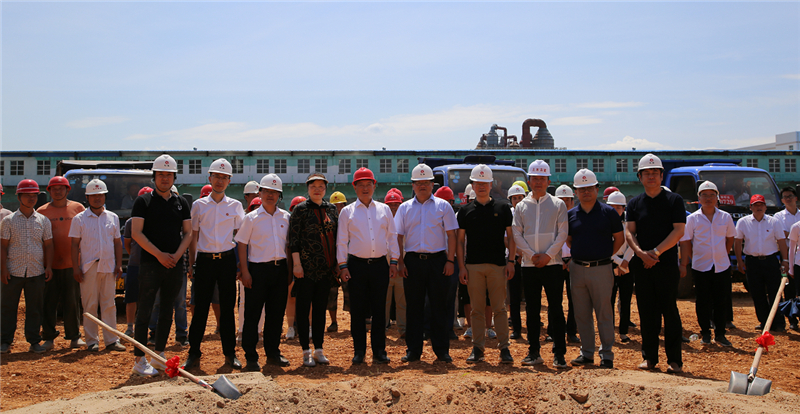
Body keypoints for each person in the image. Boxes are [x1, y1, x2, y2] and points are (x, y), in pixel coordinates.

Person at [130, 154, 193, 377]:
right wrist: (159, 255)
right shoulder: (143, 201)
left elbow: (188, 233)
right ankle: (139, 359)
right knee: (145, 311)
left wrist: (176, 256)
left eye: (169, 174)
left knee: (167, 310)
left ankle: (158, 355)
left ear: (174, 177)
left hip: (173, 264)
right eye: (160, 174)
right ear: (154, 176)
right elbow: (136, 233)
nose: (165, 178)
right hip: (150, 264)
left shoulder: (181, 203)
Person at [625, 153, 686, 373]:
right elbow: (630, 232)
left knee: (669, 310)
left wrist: (656, 252)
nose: (651, 176)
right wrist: (641, 254)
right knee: (646, 312)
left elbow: (679, 230)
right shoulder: (634, 203)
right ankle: (649, 357)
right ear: (639, 177)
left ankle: (674, 360)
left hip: (666, 263)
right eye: (646, 173)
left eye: (655, 173)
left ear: (661, 175)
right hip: (642, 265)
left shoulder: (674, 200)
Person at [395, 163, 458, 363]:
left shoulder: (443, 206)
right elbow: (398, 237)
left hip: (438, 261)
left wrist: (450, 260)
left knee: (439, 306)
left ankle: (441, 350)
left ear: (432, 184)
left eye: (426, 182)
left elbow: (452, 235)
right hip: (412, 262)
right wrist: (400, 262)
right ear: (413, 185)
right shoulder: (404, 208)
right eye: (418, 182)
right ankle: (413, 351)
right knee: (414, 307)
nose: (422, 186)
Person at [184, 159, 244, 370]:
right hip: (204, 262)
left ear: (229, 181)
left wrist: (240, 264)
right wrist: (192, 263)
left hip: (227, 261)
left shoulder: (235, 206)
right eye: (216, 176)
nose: (220, 180)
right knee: (200, 309)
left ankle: (230, 354)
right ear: (209, 178)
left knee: (227, 309)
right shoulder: (199, 206)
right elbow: (193, 235)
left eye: (224, 177)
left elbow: (241, 237)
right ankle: (194, 353)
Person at [337, 168, 399, 364]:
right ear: (354, 187)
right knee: (357, 310)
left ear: (374, 186)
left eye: (368, 184)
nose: (365, 188)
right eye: (361, 185)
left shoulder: (384, 209)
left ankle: (379, 351)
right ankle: (359, 351)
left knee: (380, 310)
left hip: (380, 265)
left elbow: (392, 236)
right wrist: (343, 266)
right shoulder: (347, 212)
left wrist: (394, 261)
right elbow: (341, 241)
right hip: (356, 266)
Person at [512, 160, 569, 368]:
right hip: (529, 266)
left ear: (548, 181)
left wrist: (548, 255)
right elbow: (517, 233)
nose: (538, 182)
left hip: (553, 265)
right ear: (529, 181)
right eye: (534, 178)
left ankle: (559, 353)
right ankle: (534, 351)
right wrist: (531, 255)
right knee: (532, 310)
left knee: (556, 309)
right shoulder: (521, 206)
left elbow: (562, 233)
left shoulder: (558, 204)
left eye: (542, 178)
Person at [457, 165, 515, 364]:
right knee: (477, 310)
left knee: (500, 308)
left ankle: (504, 348)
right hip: (473, 266)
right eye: (477, 183)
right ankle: (478, 348)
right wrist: (462, 267)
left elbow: (511, 238)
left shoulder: (503, 208)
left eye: (485, 183)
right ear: (472, 185)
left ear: (491, 184)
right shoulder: (465, 211)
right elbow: (460, 241)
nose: (481, 186)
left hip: (498, 266)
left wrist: (511, 262)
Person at [567, 169, 624, 369]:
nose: (586, 192)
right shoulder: (571, 215)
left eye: (589, 188)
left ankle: (607, 354)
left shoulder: (608, 213)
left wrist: (605, 254)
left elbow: (619, 238)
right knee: (582, 313)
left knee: (604, 313)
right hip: (578, 269)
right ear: (576, 191)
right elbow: (569, 239)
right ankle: (587, 353)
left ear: (597, 189)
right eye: (581, 189)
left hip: (602, 268)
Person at [236, 174, 292, 371]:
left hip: (280, 270)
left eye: (274, 192)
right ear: (260, 192)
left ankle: (273, 353)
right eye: (267, 191)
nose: (270, 195)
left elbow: (288, 246)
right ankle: (251, 356)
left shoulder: (286, 217)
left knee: (276, 314)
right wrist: (245, 271)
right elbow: (241, 244)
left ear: (279, 195)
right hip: (257, 270)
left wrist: (289, 271)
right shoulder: (251, 218)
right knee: (252, 315)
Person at [69, 179, 127, 353]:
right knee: (90, 305)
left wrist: (118, 264)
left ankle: (111, 340)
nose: (97, 198)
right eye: (93, 195)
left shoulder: (113, 217)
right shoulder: (79, 219)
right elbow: (74, 245)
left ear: (105, 196)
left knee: (109, 303)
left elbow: (117, 243)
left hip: (108, 266)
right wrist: (75, 268)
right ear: (87, 197)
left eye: (100, 195)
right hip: (88, 267)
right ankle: (92, 341)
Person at [289, 173, 339, 367]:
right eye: (313, 186)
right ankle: (305, 351)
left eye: (321, 186)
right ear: (308, 188)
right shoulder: (300, 210)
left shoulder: (332, 209)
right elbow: (294, 239)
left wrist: (336, 263)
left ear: (325, 188)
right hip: (305, 269)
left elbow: (337, 237)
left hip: (325, 270)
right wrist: (297, 264)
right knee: (303, 310)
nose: (317, 190)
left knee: (320, 310)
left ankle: (319, 349)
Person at [679, 181, 735, 346]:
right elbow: (686, 241)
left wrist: (723, 254)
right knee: (703, 301)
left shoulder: (725, 217)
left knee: (721, 301)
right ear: (699, 198)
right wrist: (692, 258)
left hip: (721, 266)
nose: (708, 198)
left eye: (712, 195)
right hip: (701, 266)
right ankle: (705, 333)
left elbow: (730, 238)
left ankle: (720, 334)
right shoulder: (692, 219)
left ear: (717, 198)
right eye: (704, 195)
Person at [1, 179, 53, 354]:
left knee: (35, 309)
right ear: (19, 197)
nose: (31, 199)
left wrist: (48, 267)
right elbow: (3, 246)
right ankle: (5, 341)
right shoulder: (8, 221)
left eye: (34, 195)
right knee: (8, 308)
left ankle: (34, 341)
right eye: (27, 195)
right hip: (13, 271)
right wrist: (3, 269)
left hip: (36, 271)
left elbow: (48, 245)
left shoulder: (43, 221)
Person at [37, 176, 86, 350]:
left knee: (72, 302)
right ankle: (48, 338)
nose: (57, 191)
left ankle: (74, 336)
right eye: (54, 189)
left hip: (72, 264)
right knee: (48, 302)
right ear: (49, 191)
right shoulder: (42, 211)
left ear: (67, 190)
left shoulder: (78, 208)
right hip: (49, 265)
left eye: (61, 188)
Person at [734, 194, 789, 332]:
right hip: (752, 262)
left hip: (771, 261)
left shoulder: (774, 221)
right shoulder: (743, 222)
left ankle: (779, 323)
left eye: (761, 205)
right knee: (757, 293)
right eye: (756, 205)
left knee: (775, 292)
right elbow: (738, 242)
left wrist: (785, 260)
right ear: (750, 207)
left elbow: (781, 241)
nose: (759, 207)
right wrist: (739, 261)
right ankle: (764, 321)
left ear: (765, 207)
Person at [123, 187, 153, 336]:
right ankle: (130, 327)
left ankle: (148, 326)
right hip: (135, 265)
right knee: (131, 297)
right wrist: (135, 257)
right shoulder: (130, 222)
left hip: (153, 265)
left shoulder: (158, 221)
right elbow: (127, 244)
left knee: (150, 298)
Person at [606, 191, 636, 343]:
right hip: (610, 263)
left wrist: (626, 261)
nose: (616, 210)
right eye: (613, 207)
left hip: (628, 264)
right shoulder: (605, 225)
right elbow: (604, 246)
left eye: (619, 207)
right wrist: (618, 262)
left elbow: (633, 242)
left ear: (624, 208)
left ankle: (623, 331)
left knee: (625, 299)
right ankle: (609, 331)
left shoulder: (628, 224)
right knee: (609, 300)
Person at [237, 197, 266, 343]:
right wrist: (241, 268)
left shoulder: (268, 225)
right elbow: (239, 246)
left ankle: (259, 331)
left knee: (263, 303)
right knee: (243, 301)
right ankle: (241, 330)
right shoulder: (247, 222)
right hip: (247, 268)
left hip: (262, 268)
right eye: (255, 207)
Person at [554, 184, 580, 344]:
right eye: (561, 200)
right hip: (555, 261)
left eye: (567, 200)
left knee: (574, 300)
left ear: (572, 201)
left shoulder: (577, 218)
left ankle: (571, 331)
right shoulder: (550, 218)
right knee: (554, 299)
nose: (564, 203)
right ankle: (554, 331)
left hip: (573, 262)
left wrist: (572, 260)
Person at [774, 187, 800, 330]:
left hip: (799, 255)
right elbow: (780, 234)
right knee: (789, 287)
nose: (788, 199)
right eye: (785, 197)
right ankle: (792, 319)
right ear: (782, 200)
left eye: (790, 196)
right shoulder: (778, 216)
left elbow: (786, 233)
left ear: (796, 198)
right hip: (787, 254)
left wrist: (790, 233)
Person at [384, 190, 406, 338]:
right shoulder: (380, 221)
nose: (393, 207)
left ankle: (403, 330)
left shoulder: (405, 221)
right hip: (384, 268)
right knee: (383, 302)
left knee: (402, 301)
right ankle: (382, 328)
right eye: (390, 204)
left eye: (396, 204)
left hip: (400, 268)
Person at [327, 191, 348, 333]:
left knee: (350, 292)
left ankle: (355, 320)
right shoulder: (328, 224)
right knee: (331, 293)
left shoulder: (350, 220)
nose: (338, 209)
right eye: (335, 206)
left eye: (341, 206)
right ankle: (334, 322)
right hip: (331, 264)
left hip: (347, 263)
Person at [507, 184, 526, 340]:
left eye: (520, 197)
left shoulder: (531, 212)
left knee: (531, 295)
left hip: (529, 259)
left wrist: (525, 253)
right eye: (514, 198)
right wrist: (517, 254)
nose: (518, 201)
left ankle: (533, 324)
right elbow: (506, 238)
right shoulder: (508, 214)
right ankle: (516, 327)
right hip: (513, 260)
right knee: (514, 296)